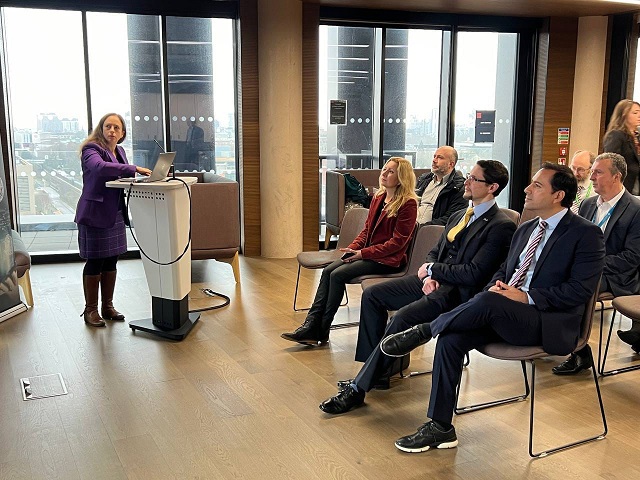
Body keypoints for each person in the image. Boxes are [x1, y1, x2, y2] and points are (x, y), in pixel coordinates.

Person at [375, 163, 605, 454]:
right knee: (451, 338)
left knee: (487, 301)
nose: (526, 189)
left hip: (548, 320)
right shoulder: (527, 229)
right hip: (504, 312)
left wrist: (526, 297)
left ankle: (424, 330)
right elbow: (503, 271)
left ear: (558, 195)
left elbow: (580, 291)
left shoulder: (586, 233)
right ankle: (440, 427)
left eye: (537, 185)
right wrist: (496, 289)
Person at [318, 161, 516, 414]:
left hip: (457, 293)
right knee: (373, 294)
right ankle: (375, 371)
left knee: (402, 317)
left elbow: (473, 273)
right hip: (433, 282)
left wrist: (434, 271)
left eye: (474, 179)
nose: (466, 181)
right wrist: (428, 275)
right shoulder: (459, 215)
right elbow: (435, 251)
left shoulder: (501, 225)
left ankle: (358, 388)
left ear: (492, 187)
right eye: (469, 176)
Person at [281, 157, 418, 346]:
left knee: (337, 275)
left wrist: (362, 253)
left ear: (402, 177)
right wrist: (353, 248)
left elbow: (397, 243)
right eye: (384, 169)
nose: (384, 174)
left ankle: (321, 329)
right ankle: (311, 325)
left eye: (391, 171)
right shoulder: (378, 197)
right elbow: (366, 231)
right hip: (370, 254)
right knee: (328, 271)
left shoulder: (408, 204)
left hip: (388, 260)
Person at [553, 152, 640, 374]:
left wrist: (589, 265)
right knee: (549, 276)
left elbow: (632, 257)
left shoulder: (635, 209)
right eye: (592, 172)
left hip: (617, 275)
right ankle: (550, 336)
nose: (591, 178)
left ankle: (578, 351)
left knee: (575, 288)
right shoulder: (588, 204)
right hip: (584, 268)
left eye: (598, 173)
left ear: (616, 177)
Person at [75, 113, 152, 327]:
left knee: (111, 259)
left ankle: (107, 307)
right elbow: (100, 168)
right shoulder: (91, 149)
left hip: (115, 211)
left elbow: (121, 177)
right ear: (101, 129)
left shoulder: (120, 151)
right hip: (95, 213)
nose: (112, 130)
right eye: (108, 126)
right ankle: (90, 310)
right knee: (95, 260)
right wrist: (133, 168)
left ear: (122, 133)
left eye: (116, 128)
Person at [415, 146, 466, 225]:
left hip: (432, 230)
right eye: (434, 156)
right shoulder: (423, 180)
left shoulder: (459, 188)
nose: (434, 160)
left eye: (440, 158)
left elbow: (451, 218)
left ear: (451, 164)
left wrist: (422, 228)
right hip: (410, 226)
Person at [603, 99, 640, 195]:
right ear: (624, 115)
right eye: (635, 113)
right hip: (624, 186)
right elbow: (610, 161)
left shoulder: (637, 137)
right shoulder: (616, 135)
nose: (639, 116)